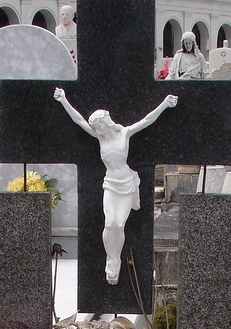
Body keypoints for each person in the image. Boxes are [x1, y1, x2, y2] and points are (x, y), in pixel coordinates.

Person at [53, 87, 178, 285]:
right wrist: (64, 100)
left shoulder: (124, 134)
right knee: (109, 223)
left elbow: (146, 120)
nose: (96, 129)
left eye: (98, 125)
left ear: (106, 123)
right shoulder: (99, 137)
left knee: (119, 225)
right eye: (95, 126)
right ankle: (110, 259)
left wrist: (164, 104)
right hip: (110, 184)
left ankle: (116, 257)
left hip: (126, 183)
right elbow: (79, 121)